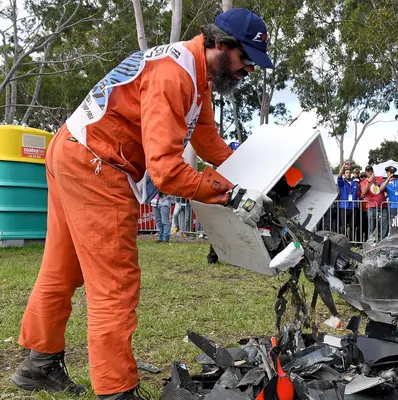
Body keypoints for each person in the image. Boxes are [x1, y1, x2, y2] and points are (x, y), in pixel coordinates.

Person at [11, 9, 274, 399]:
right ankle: (117, 391)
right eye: (246, 59)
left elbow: (208, 142)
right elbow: (167, 171)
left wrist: (257, 175)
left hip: (72, 148)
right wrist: (229, 192)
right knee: (115, 286)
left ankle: (38, 364)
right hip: (98, 163)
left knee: (61, 268)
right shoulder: (174, 76)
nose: (248, 69)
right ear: (220, 44)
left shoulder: (195, 76)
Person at [360, 165, 387, 240]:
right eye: (368, 171)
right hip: (372, 206)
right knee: (371, 226)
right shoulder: (364, 182)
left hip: (382, 205)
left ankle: (382, 241)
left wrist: (379, 185)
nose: (370, 172)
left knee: (384, 225)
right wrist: (369, 181)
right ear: (366, 173)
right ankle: (371, 242)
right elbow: (363, 192)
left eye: (371, 170)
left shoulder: (380, 179)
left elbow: (385, 189)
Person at [337, 161, 360, 237]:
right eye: (346, 173)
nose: (348, 174)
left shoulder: (355, 183)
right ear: (344, 174)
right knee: (343, 226)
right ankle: (344, 242)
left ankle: (353, 242)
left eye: (349, 173)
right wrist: (343, 166)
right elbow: (339, 176)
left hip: (353, 207)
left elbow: (359, 194)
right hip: (344, 207)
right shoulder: (342, 183)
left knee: (353, 226)